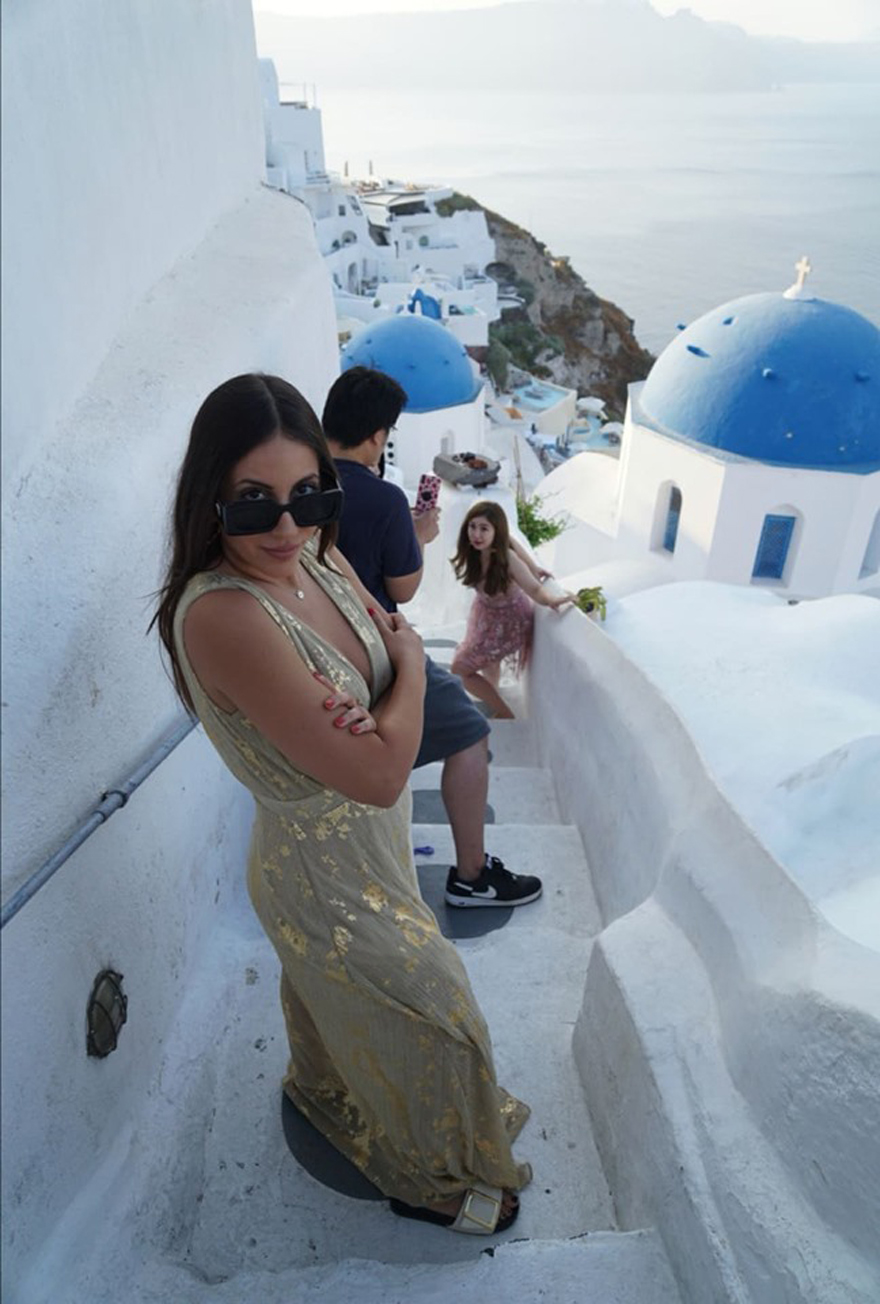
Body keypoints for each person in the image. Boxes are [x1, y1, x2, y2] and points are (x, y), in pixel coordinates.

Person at [152, 373, 530, 1234]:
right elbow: (383, 767)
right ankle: (430, 1182)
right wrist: (402, 686)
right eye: (254, 501)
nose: (286, 525)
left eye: (308, 496)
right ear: (209, 497)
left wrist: (383, 715)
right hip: (321, 875)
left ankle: (364, 1110)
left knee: (362, 1017)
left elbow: (387, 685)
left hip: (374, 845)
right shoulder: (227, 615)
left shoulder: (314, 555)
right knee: (438, 1010)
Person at [322, 365, 542, 910]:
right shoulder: (382, 500)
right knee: (470, 731)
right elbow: (404, 587)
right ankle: (471, 876)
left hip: (313, 654)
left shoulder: (304, 486)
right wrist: (418, 535)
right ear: (377, 435)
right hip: (374, 653)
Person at [451, 501, 575, 720]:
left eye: (484, 529)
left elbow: (535, 589)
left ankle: (504, 712)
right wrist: (534, 565)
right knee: (489, 664)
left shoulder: (507, 559)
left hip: (508, 622)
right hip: (486, 614)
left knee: (460, 668)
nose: (476, 534)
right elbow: (510, 539)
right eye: (473, 526)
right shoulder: (475, 552)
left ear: (495, 532)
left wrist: (551, 600)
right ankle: (493, 699)